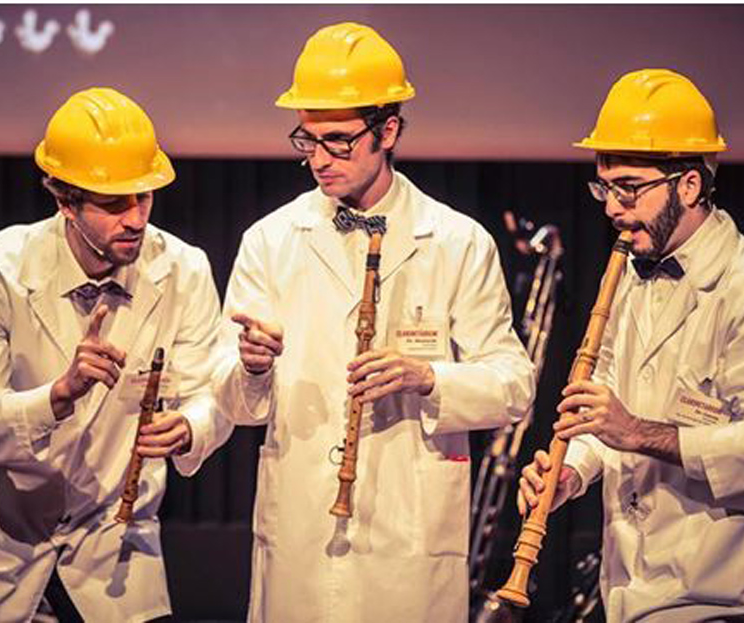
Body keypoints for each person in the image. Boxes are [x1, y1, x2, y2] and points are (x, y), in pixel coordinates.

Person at [212, 22, 535, 622]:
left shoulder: (458, 241)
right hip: (301, 532)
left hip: (409, 534)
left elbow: (514, 385)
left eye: (338, 141)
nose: (318, 160)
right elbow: (235, 403)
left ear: (387, 131)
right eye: (307, 141)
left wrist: (429, 378)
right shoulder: (270, 240)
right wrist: (251, 369)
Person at [0, 87, 232, 622]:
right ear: (65, 202)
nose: (136, 218)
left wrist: (189, 427)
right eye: (113, 203)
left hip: (110, 546)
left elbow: (208, 395)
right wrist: (59, 393)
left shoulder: (183, 270)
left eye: (143, 196)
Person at [517, 68, 744, 622]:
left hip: (719, 585)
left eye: (629, 188)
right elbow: (605, 414)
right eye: (604, 187)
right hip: (631, 583)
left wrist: (636, 431)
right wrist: (573, 472)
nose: (611, 207)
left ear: (689, 186)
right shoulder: (630, 275)